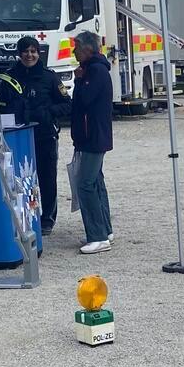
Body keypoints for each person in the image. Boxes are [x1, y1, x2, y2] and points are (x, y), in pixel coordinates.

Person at [6, 36, 71, 235]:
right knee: (23, 180)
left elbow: (67, 104)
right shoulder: (9, 77)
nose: (29, 55)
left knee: (47, 179)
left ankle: (47, 219)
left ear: (38, 53)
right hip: (18, 137)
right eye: (25, 51)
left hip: (44, 136)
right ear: (19, 54)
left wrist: (49, 112)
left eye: (33, 51)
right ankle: (27, 214)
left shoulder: (49, 78)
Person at [70, 31, 114, 254]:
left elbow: (84, 100)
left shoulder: (94, 71)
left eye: (76, 47)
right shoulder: (98, 68)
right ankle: (105, 229)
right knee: (96, 181)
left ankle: (98, 236)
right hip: (94, 135)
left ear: (87, 49)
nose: (74, 51)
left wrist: (78, 81)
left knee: (85, 184)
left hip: (92, 136)